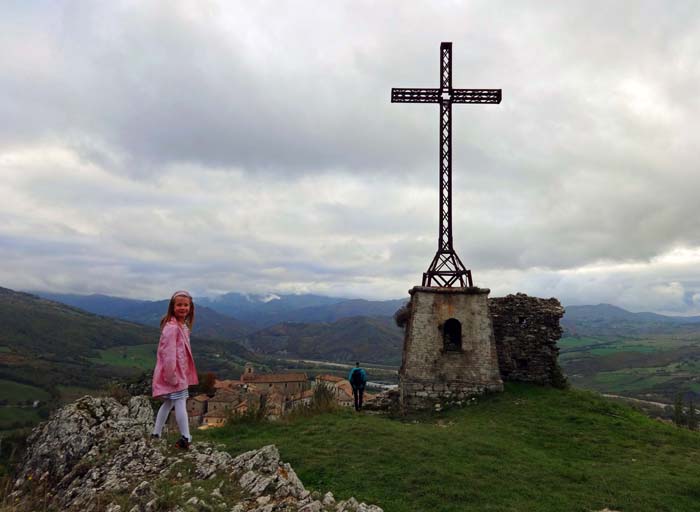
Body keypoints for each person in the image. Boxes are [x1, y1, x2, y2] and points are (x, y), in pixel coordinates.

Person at [151, 290, 199, 449]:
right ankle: (186, 436)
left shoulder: (182, 326)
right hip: (174, 374)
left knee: (169, 402)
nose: (183, 308)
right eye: (179, 305)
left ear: (190, 308)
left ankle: (156, 433)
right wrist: (172, 376)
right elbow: (168, 354)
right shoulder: (172, 328)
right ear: (172, 307)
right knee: (180, 402)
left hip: (179, 372)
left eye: (186, 305)